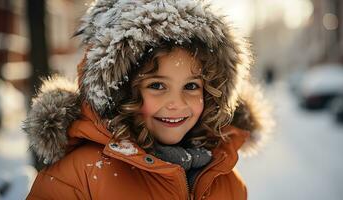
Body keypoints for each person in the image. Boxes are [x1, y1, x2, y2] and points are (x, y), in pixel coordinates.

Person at [23, 0, 273, 199]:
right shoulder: (79, 176)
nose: (177, 103)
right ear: (121, 92)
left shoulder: (225, 179)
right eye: (157, 85)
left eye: (191, 86)